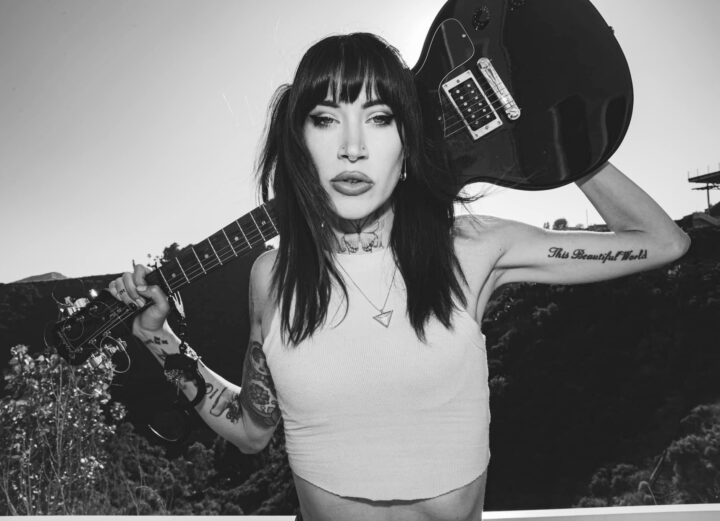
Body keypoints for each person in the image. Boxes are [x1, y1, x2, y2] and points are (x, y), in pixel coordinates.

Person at [108, 33, 690, 521]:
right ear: (300, 143)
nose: (353, 148)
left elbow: (662, 243)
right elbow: (252, 429)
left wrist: (552, 140)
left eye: (379, 118)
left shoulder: (473, 248)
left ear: (408, 139)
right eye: (326, 119)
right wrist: (159, 338)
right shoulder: (274, 275)